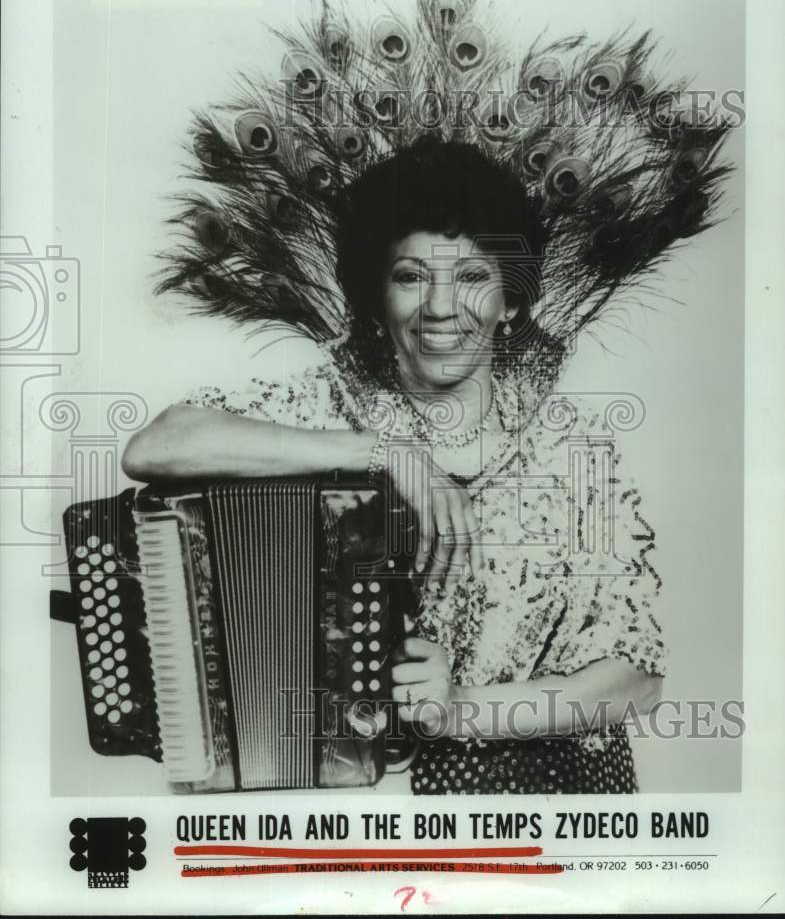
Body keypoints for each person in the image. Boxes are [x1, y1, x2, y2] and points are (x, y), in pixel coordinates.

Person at [123, 138, 666, 795]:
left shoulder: (577, 453)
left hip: (548, 797)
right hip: (349, 805)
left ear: (512, 302)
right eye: (409, 277)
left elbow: (634, 679)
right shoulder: (317, 409)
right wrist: (380, 452)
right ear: (376, 300)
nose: (439, 308)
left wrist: (455, 708)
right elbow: (155, 446)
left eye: (471, 277)